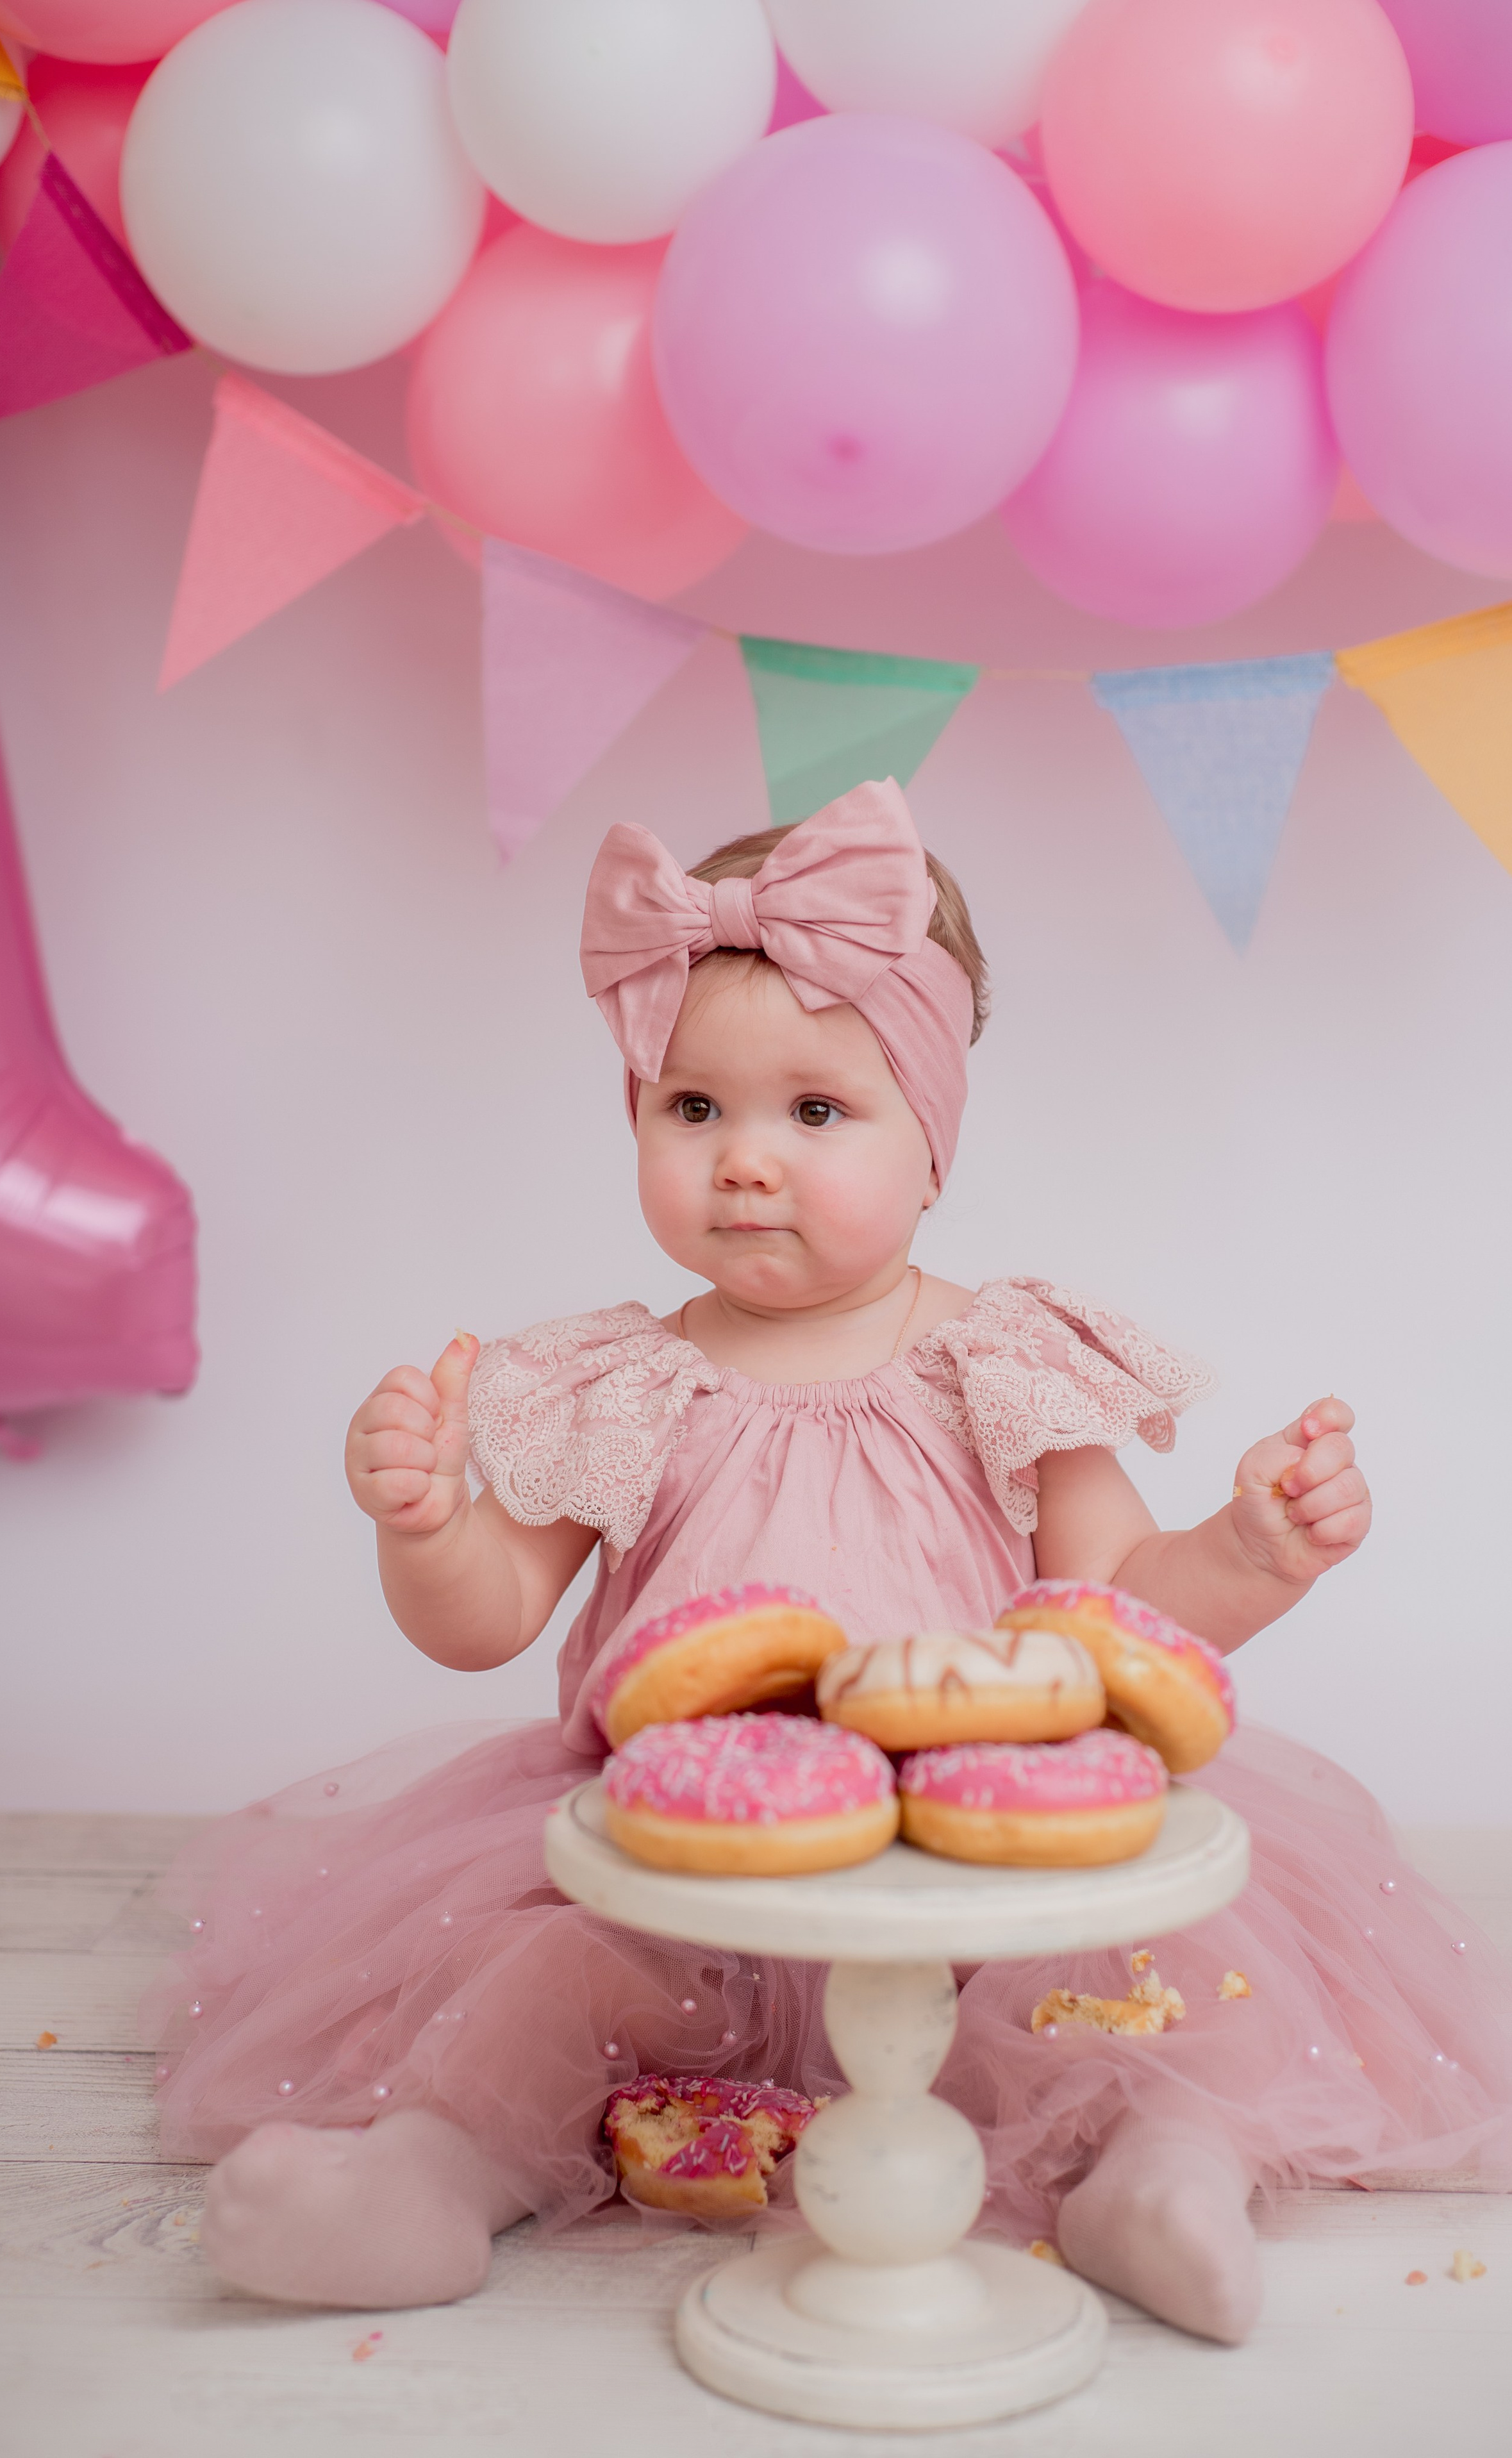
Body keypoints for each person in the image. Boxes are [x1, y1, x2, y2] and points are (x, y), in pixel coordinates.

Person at [148, 779, 1511, 2337]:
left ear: (930, 1146)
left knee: (1151, 1980)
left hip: (978, 1861)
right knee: (537, 1985)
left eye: (813, 1112)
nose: (743, 1160)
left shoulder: (1000, 1361)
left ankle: (1158, 2173)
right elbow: (487, 1619)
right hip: (683, 1869)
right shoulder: (621, 1383)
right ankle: (431, 2178)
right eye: (692, 1108)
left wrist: (1248, 1549)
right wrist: (428, 1524)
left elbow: (1113, 1613)